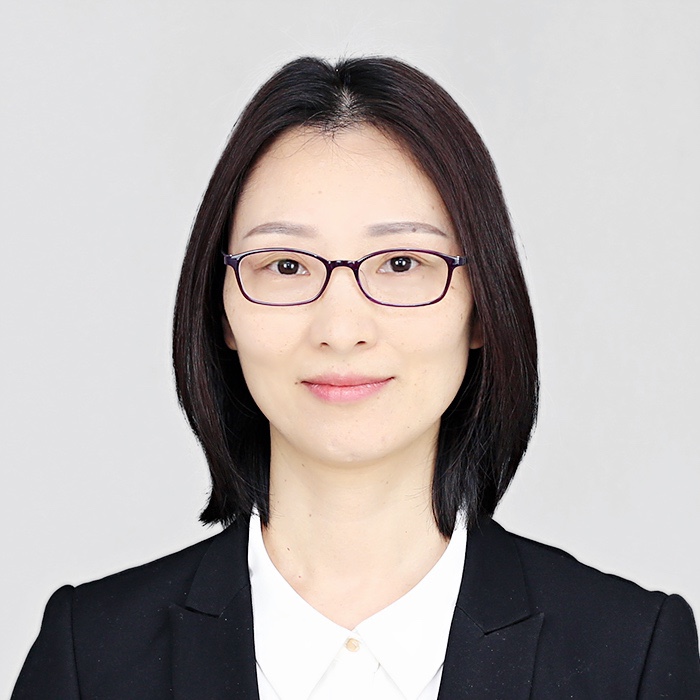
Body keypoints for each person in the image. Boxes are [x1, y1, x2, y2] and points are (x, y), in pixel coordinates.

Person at [12, 55, 700, 699]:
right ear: (222, 313)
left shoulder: (630, 656)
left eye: (402, 264)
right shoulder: (90, 657)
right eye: (286, 266)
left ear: (481, 307)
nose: (341, 329)